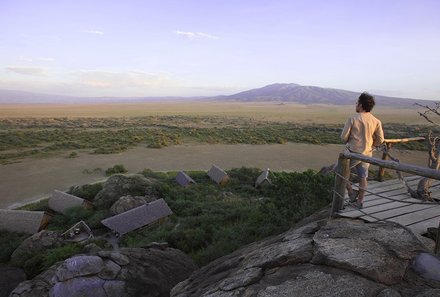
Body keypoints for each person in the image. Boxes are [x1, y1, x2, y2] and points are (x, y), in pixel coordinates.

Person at [340, 92, 384, 209]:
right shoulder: (376, 121)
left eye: (356, 103)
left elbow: (343, 137)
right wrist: (371, 145)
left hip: (353, 153)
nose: (355, 105)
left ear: (360, 105)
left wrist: (349, 142)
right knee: (363, 177)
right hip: (367, 153)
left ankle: (351, 193)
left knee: (340, 172)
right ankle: (360, 202)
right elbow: (381, 139)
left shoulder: (353, 118)